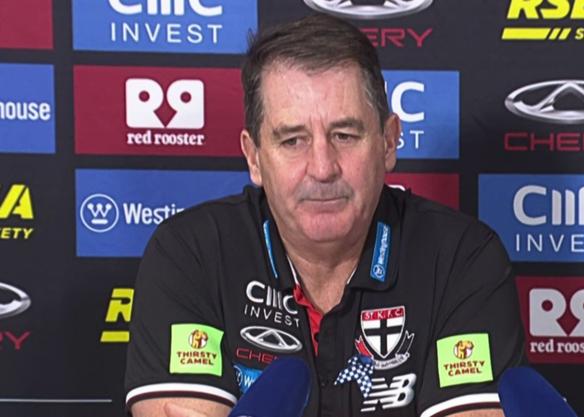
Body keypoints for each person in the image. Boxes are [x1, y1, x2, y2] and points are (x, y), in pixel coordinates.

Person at [124, 14, 525, 417]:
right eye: (293, 140)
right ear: (254, 157)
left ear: (388, 142)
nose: (322, 167)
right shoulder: (191, 254)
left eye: (344, 135)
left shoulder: (462, 258)